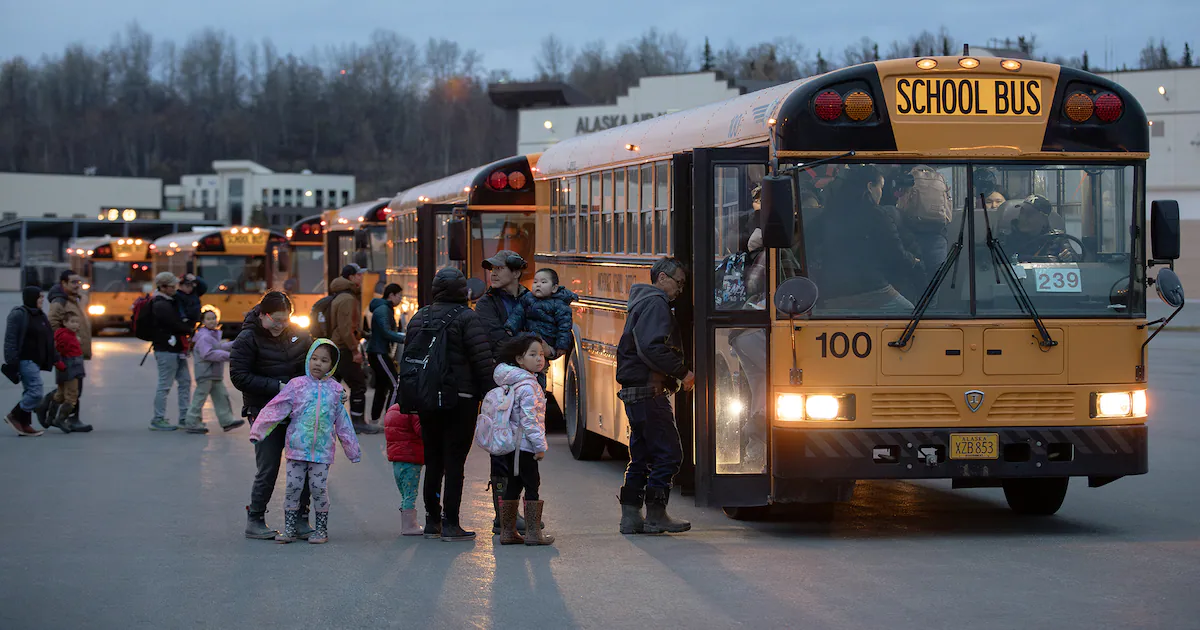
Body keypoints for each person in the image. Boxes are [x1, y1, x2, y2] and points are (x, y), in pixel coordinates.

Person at [405, 267, 494, 541]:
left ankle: (432, 521)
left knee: (433, 460)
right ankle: (452, 523)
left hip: (427, 399)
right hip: (460, 399)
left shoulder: (419, 317)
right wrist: (490, 394)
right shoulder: (467, 318)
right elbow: (481, 360)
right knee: (455, 462)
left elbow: (408, 359)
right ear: (461, 290)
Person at [249, 340, 361, 544]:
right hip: (296, 451)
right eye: (315, 358)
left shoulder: (336, 391)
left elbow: (343, 423)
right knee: (292, 487)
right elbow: (276, 407)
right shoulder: (296, 385)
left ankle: (321, 530)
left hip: (322, 453)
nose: (318, 364)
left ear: (332, 365)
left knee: (318, 488)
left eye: (324, 360)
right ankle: (290, 529)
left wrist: (352, 450)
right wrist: (258, 430)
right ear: (309, 358)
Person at [615, 258, 694, 535]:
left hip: (634, 391)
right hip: (649, 391)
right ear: (662, 278)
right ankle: (656, 515)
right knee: (669, 453)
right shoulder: (656, 303)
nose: (681, 289)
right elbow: (652, 347)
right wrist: (683, 373)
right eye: (679, 282)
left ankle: (631, 517)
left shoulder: (642, 301)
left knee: (642, 455)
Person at [230, 291, 315, 540]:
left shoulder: (298, 334)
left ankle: (300, 518)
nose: (280, 325)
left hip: (298, 411)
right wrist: (277, 386)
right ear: (262, 314)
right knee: (268, 467)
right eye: (275, 320)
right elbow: (239, 376)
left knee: (303, 464)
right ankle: (255, 519)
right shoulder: (247, 338)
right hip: (264, 411)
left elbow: (314, 363)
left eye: (285, 319)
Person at [809, 165, 924, 312]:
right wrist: (914, 261)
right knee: (909, 313)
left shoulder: (829, 214)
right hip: (871, 290)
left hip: (831, 294)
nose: (881, 193)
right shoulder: (877, 215)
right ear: (870, 187)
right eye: (880, 187)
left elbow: (809, 244)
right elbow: (896, 255)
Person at [491, 334, 555, 546]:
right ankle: (534, 534)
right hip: (525, 446)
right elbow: (530, 421)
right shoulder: (528, 386)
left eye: (541, 354)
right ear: (519, 359)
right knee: (532, 484)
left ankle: (508, 532)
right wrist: (539, 447)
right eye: (532, 354)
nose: (539, 359)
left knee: (514, 484)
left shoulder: (515, 382)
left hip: (513, 446)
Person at [329, 263, 379, 434]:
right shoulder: (348, 299)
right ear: (350, 277)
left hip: (338, 347)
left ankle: (330, 422)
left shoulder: (343, 295)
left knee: (333, 387)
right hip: (343, 348)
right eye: (359, 275)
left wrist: (362, 332)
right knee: (358, 385)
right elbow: (344, 329)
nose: (361, 278)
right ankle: (358, 423)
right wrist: (355, 350)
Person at [3, 287, 58, 437]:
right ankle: (14, 415)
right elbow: (10, 340)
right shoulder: (19, 315)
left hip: (35, 360)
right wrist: (12, 361)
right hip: (25, 360)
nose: (42, 300)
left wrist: (55, 358)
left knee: (29, 390)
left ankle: (24, 425)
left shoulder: (40, 315)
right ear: (31, 298)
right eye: (39, 297)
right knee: (36, 392)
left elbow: (48, 338)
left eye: (42, 297)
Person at [44, 270, 92, 432]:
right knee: (72, 389)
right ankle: (69, 419)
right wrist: (67, 341)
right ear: (63, 283)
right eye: (73, 282)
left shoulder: (74, 299)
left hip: (76, 351)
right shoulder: (60, 302)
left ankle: (54, 412)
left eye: (78, 282)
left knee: (72, 388)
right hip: (68, 353)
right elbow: (53, 326)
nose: (77, 285)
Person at [183, 306, 244, 434]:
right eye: (209, 319)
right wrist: (230, 356)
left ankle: (227, 420)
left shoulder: (212, 335)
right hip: (206, 373)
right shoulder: (204, 336)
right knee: (199, 399)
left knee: (222, 397)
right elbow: (208, 354)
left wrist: (235, 344)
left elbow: (218, 347)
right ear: (203, 321)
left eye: (214, 318)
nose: (213, 321)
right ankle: (192, 422)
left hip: (214, 374)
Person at [148, 272, 193, 431]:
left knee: (185, 382)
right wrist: (190, 329)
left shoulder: (170, 300)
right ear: (163, 287)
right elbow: (174, 324)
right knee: (165, 385)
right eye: (172, 286)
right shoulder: (160, 304)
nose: (175, 288)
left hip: (176, 349)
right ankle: (158, 419)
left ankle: (184, 417)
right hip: (165, 349)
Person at [504, 268, 577, 361]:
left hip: (548, 339)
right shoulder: (527, 298)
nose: (538, 285)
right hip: (529, 337)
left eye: (543, 282)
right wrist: (510, 327)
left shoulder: (560, 305)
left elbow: (564, 327)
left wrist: (562, 346)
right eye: (535, 282)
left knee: (539, 362)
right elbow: (518, 314)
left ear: (554, 288)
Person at [474, 250, 529, 353]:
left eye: (499, 268)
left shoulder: (530, 299)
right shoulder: (486, 304)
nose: (493, 274)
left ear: (516, 273)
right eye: (492, 269)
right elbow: (499, 341)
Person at [384, 403, 424, 536]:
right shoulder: (413, 411)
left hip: (397, 458)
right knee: (410, 494)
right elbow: (421, 431)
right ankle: (409, 525)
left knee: (404, 493)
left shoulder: (392, 410)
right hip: (411, 457)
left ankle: (408, 522)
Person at [367, 283, 405, 424]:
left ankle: (374, 419)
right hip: (379, 352)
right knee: (395, 384)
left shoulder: (383, 308)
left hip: (378, 351)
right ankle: (390, 419)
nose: (400, 299)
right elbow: (386, 332)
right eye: (399, 295)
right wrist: (404, 338)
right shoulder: (384, 310)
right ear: (391, 295)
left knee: (382, 386)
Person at [1001, 194, 1079, 263]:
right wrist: (1043, 260)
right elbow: (1003, 260)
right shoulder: (1007, 238)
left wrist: (1068, 257)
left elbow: (1076, 260)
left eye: (1029, 214)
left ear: (1044, 219)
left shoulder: (1056, 238)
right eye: (1022, 212)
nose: (1023, 217)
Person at [50, 311, 86, 432]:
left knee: (60, 395)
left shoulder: (69, 335)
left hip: (65, 369)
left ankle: (50, 416)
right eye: (72, 322)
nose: (75, 325)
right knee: (71, 396)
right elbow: (59, 351)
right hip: (71, 370)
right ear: (65, 323)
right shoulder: (66, 336)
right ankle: (60, 419)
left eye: (77, 322)